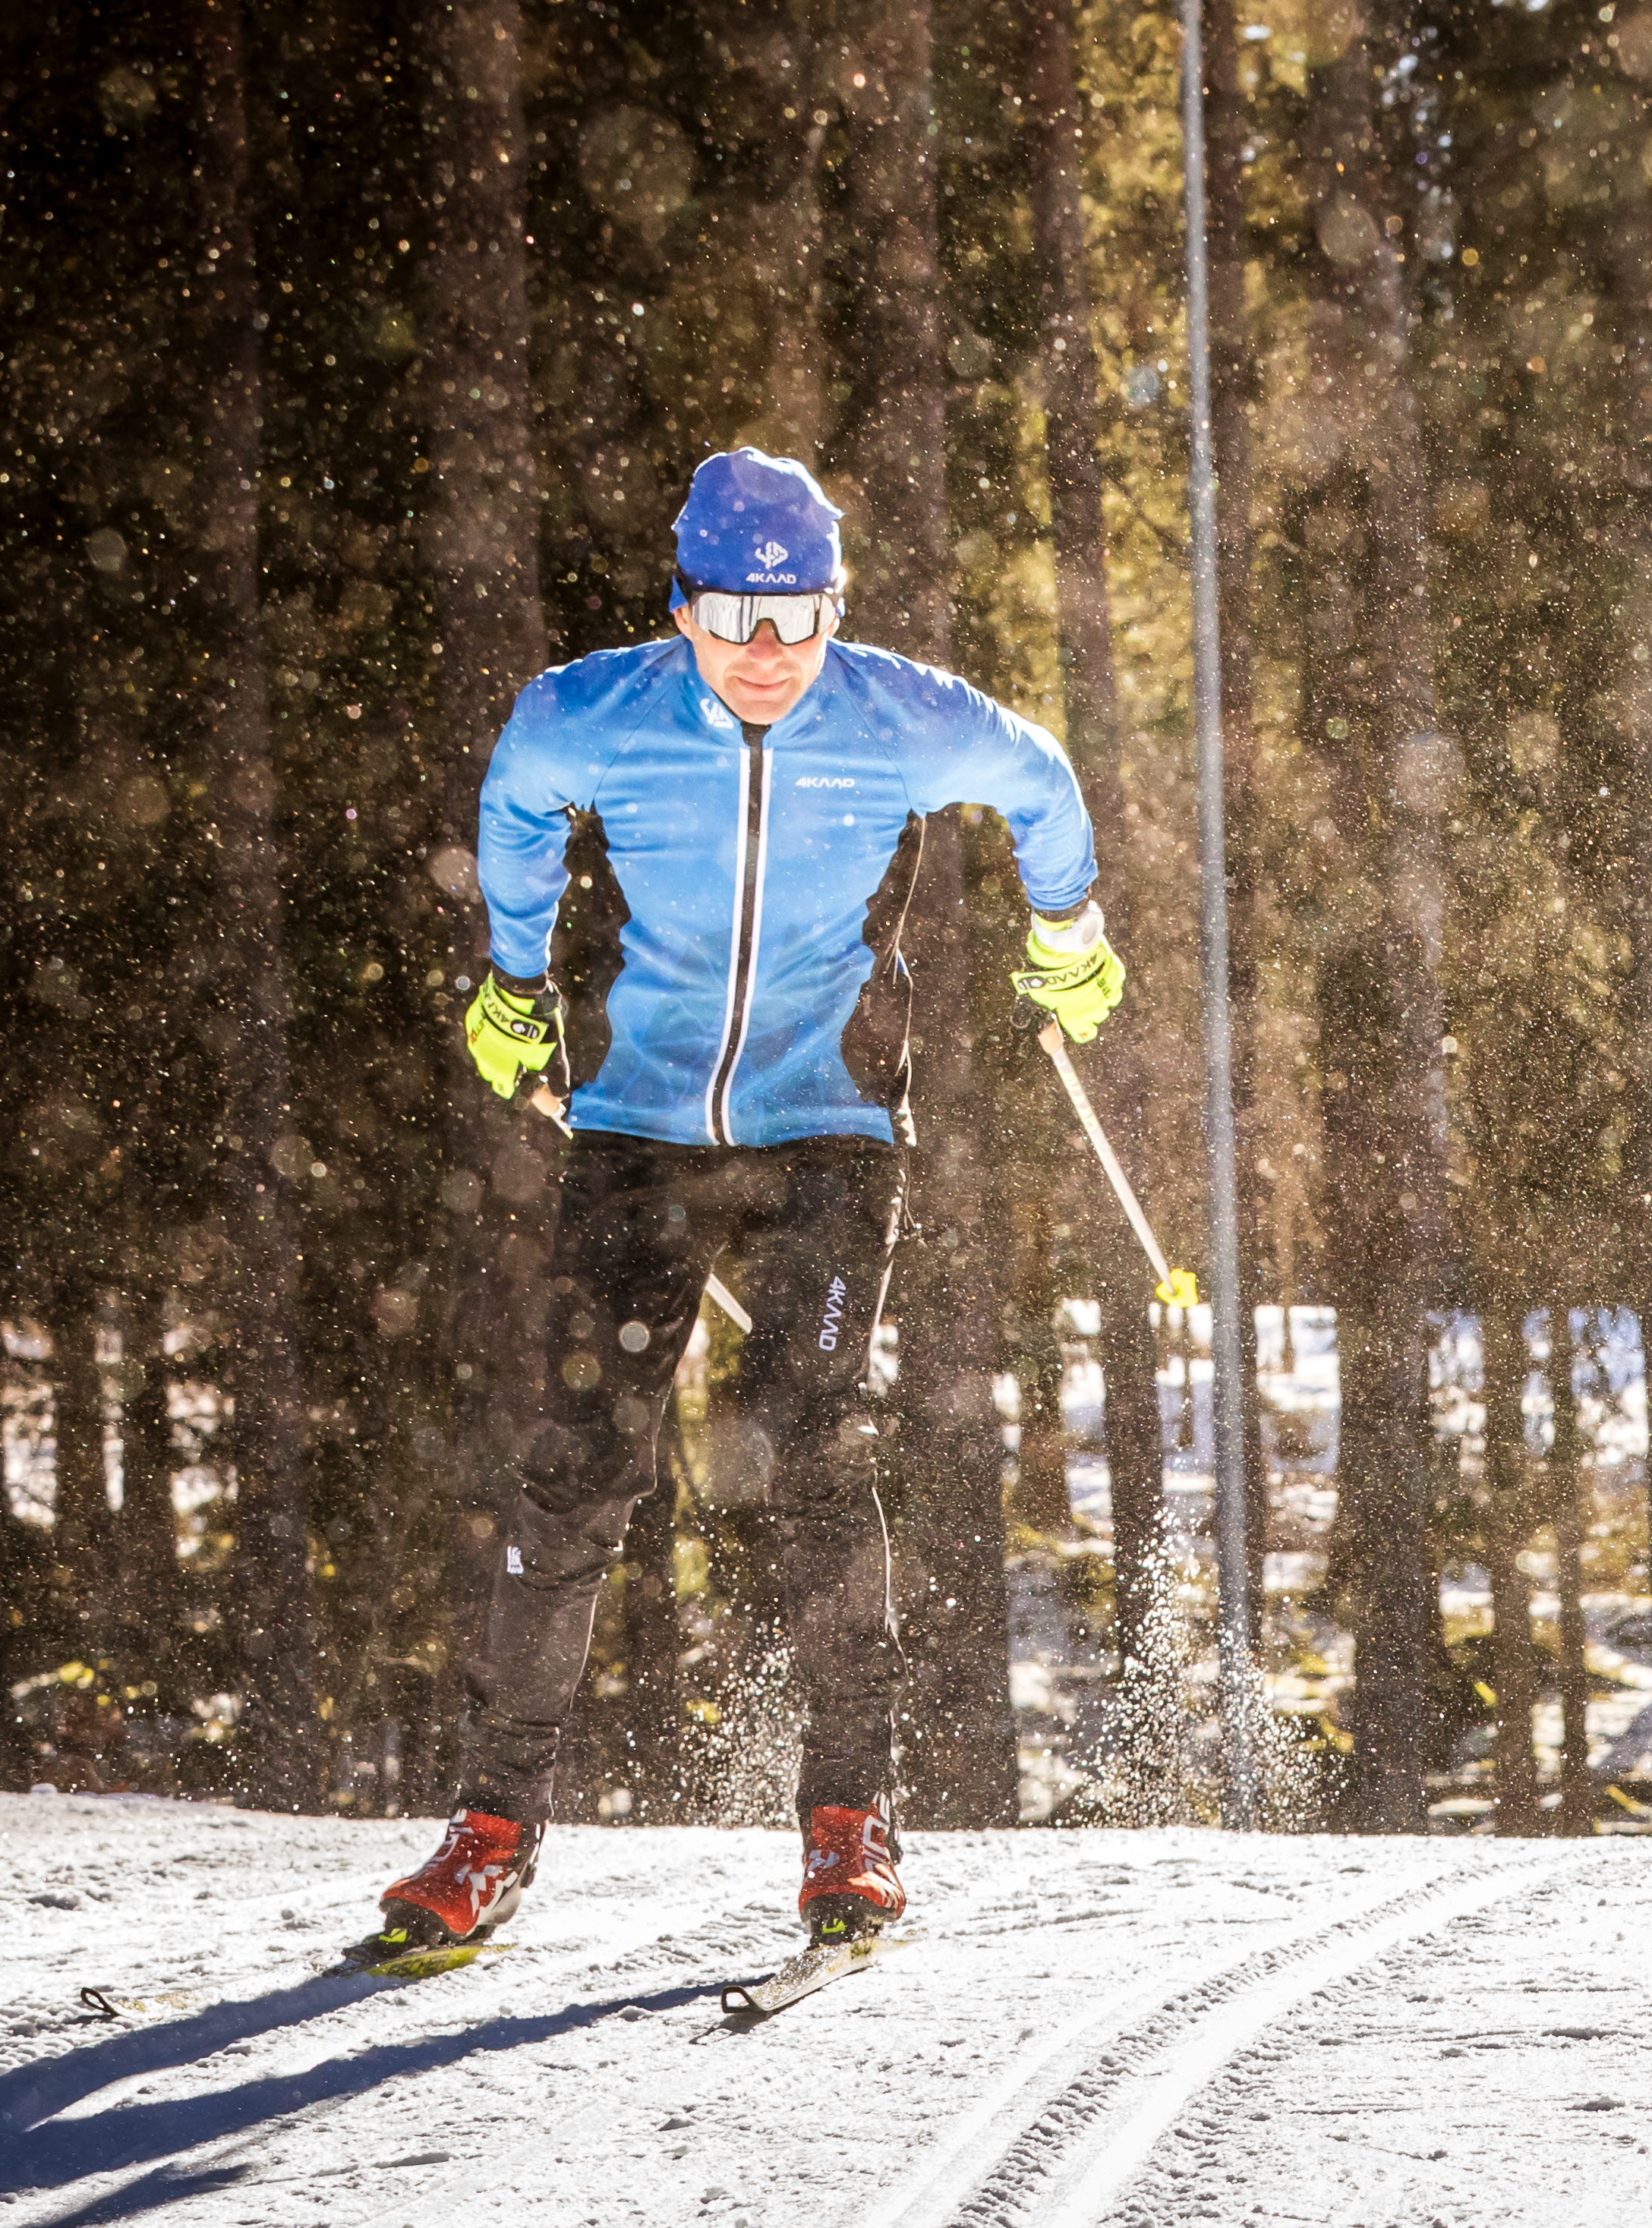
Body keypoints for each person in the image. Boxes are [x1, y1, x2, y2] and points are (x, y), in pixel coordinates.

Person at [367, 449, 1124, 1956]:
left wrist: (1069, 933)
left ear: (835, 608)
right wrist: (513, 980)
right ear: (682, 605)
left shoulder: (897, 715)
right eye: (734, 614)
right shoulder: (598, 713)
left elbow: (1040, 781)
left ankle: (850, 1825)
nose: (769, 651)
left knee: (810, 1442)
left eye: (800, 616)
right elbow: (518, 792)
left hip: (832, 1131)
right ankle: (494, 1829)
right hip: (640, 1131)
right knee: (580, 1463)